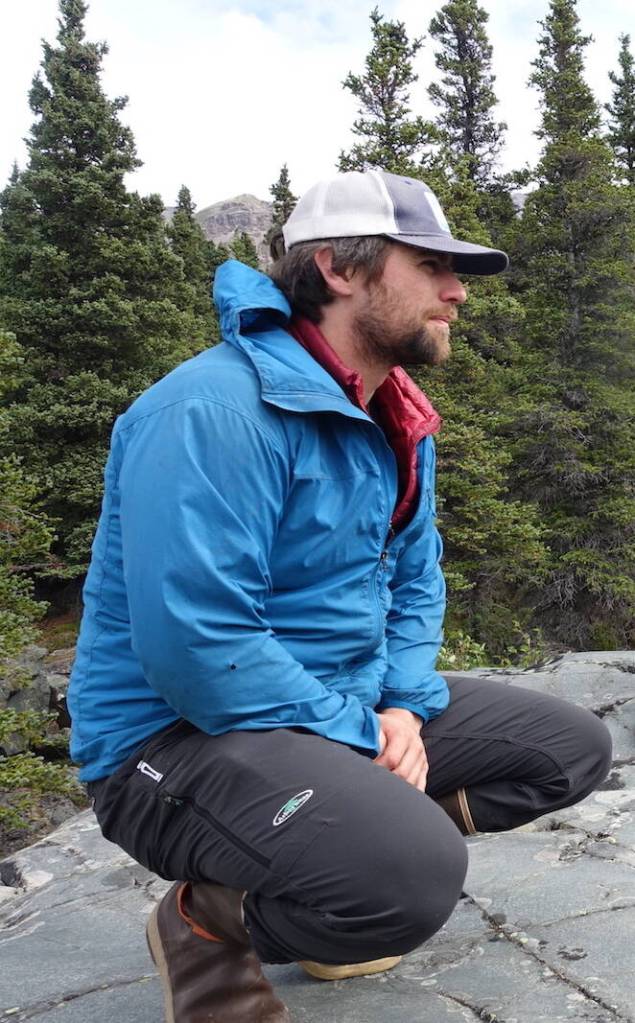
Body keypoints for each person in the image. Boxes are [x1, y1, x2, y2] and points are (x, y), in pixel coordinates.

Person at [67, 169, 612, 1023]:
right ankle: (205, 921)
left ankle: (336, 865)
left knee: (566, 749)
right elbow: (197, 648)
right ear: (339, 269)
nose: (455, 290)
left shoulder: (393, 412)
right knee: (408, 873)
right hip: (173, 737)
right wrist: (363, 731)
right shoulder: (211, 412)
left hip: (332, 708)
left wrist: (399, 704)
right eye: (429, 263)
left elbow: (412, 577)